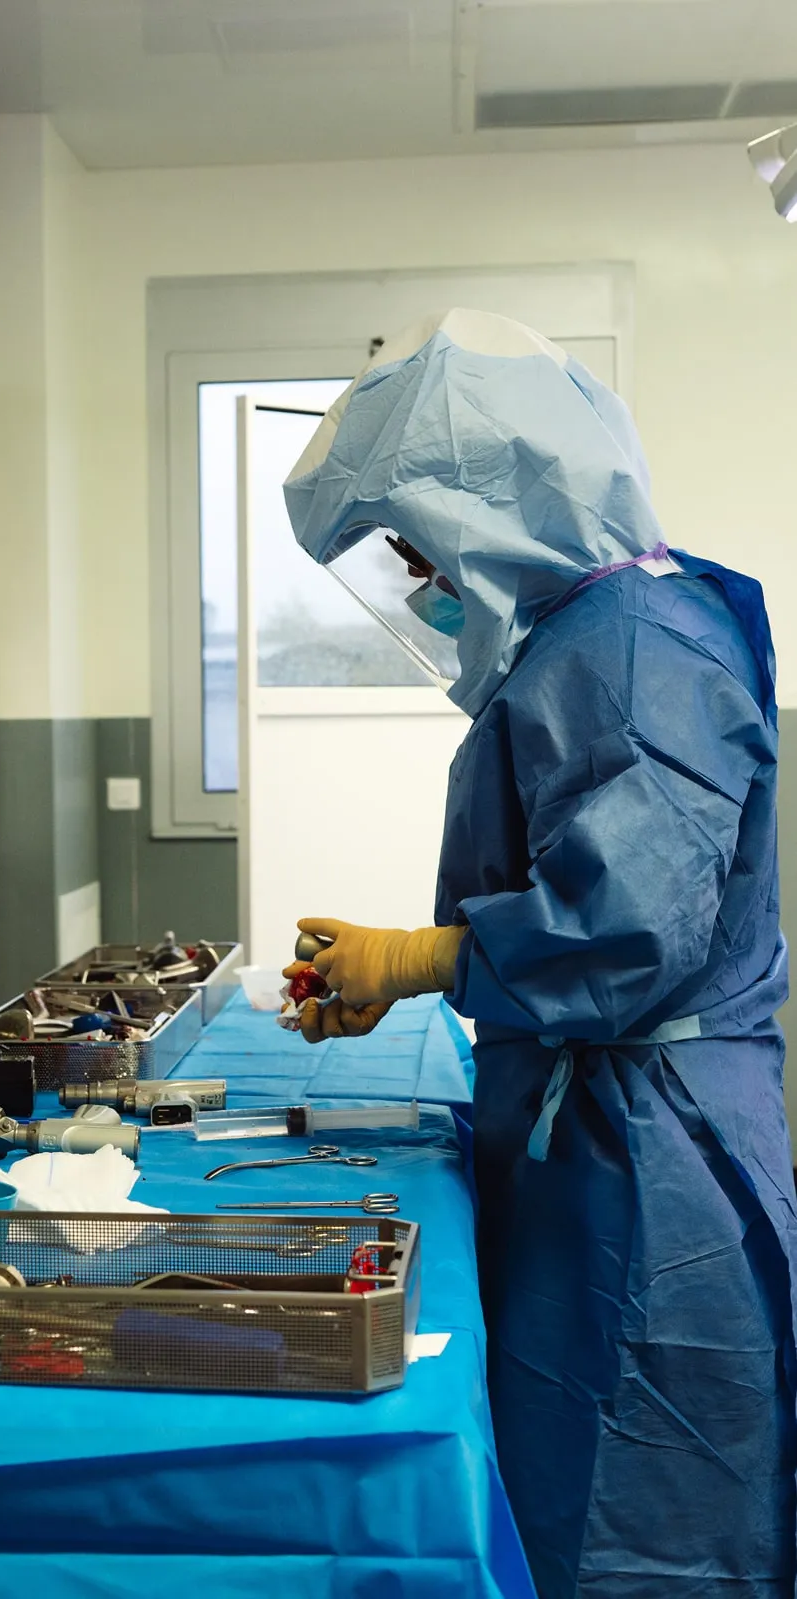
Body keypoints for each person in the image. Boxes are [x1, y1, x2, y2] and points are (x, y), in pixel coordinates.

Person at [282, 308, 797, 1599]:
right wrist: (420, 965)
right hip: (600, 1127)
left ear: (487, 503)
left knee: (645, 1522)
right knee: (567, 1492)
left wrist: (416, 958)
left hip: (650, 1156)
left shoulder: (637, 644)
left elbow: (630, 924)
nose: (417, 576)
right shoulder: (586, 638)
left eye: (412, 541)